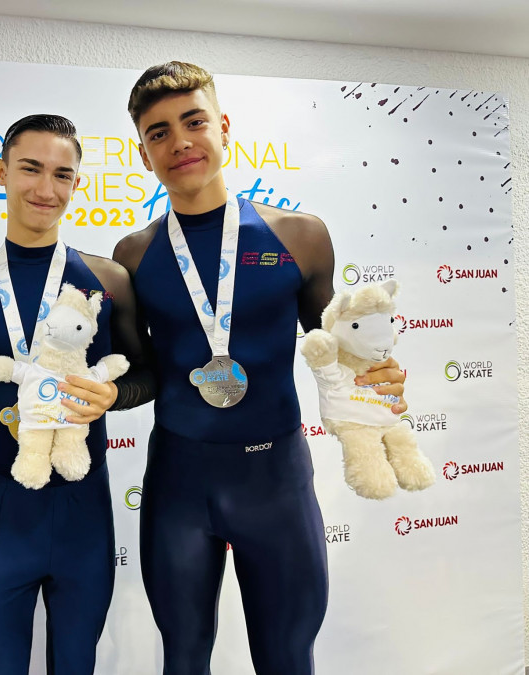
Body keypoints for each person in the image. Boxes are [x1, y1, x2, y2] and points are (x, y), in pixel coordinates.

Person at [108, 62, 408, 675]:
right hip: (177, 485)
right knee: (184, 656)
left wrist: (376, 376)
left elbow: (338, 352)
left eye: (194, 122)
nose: (181, 142)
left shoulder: (301, 237)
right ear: (143, 155)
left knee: (287, 656)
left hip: (275, 482)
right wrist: (81, 394)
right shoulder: (133, 254)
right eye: (159, 132)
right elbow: (139, 376)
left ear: (223, 128)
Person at [0, 114, 152, 674]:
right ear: (0, 171)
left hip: (85, 508)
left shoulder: (109, 280)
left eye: (62, 174)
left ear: (77, 184)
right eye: (30, 168)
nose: (46, 189)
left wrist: (110, 397)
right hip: (6, 507)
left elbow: (150, 375)